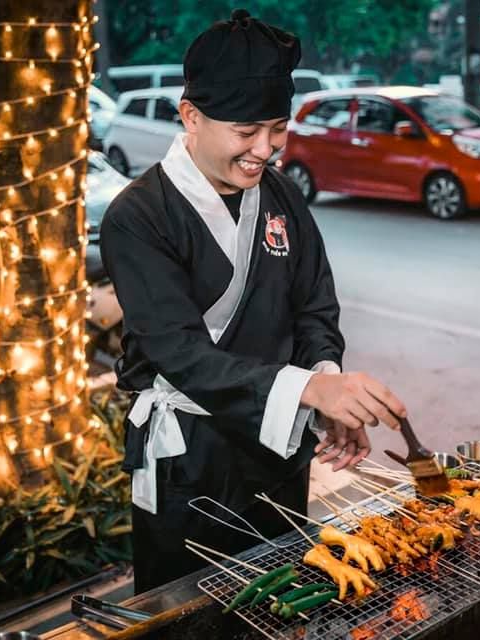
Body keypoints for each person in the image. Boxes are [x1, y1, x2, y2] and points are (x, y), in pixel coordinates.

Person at [99, 8, 407, 594]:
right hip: (190, 460)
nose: (265, 150)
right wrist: (309, 391)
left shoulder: (282, 196)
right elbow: (181, 354)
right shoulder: (138, 217)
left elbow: (314, 304)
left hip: (279, 446)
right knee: (193, 611)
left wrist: (325, 382)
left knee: (285, 594)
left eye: (278, 128)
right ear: (190, 115)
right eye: (245, 132)